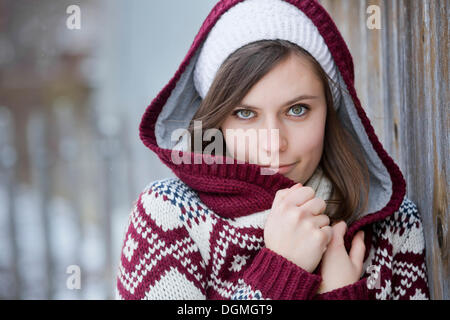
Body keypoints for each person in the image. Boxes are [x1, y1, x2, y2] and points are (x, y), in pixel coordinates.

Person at [116, 0, 430, 300]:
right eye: (245, 113)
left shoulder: (392, 226)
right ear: (217, 120)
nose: (273, 144)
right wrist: (281, 271)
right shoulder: (169, 215)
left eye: (297, 110)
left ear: (332, 112)